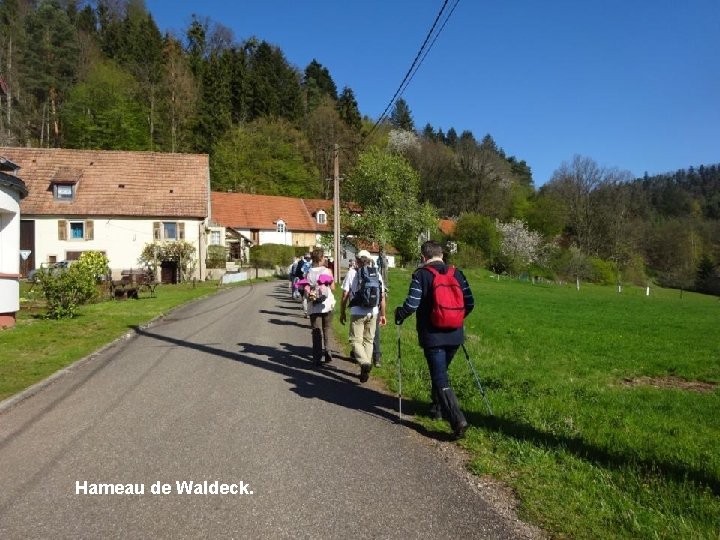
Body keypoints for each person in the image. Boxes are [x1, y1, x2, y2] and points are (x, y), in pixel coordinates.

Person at [394, 240, 475, 438]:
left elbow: (412, 304)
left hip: (432, 335)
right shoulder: (457, 273)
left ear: (423, 257)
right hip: (455, 334)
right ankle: (436, 408)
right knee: (441, 371)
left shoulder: (421, 275)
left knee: (440, 376)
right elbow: (470, 302)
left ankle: (457, 419)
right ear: (442, 255)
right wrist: (455, 318)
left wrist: (400, 314)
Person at [340, 250, 386, 383]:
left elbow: (345, 295)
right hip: (373, 312)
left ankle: (365, 363)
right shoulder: (376, 273)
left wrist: (342, 311)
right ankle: (364, 370)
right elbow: (382, 296)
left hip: (357, 312)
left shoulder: (352, 273)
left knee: (355, 341)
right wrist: (383, 314)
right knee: (368, 341)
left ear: (358, 260)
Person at [304, 248, 336, 366]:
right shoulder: (327, 271)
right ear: (321, 258)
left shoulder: (308, 273)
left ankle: (317, 357)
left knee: (316, 331)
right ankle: (328, 351)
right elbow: (332, 288)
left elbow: (305, 288)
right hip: (326, 304)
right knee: (327, 328)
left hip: (314, 304)